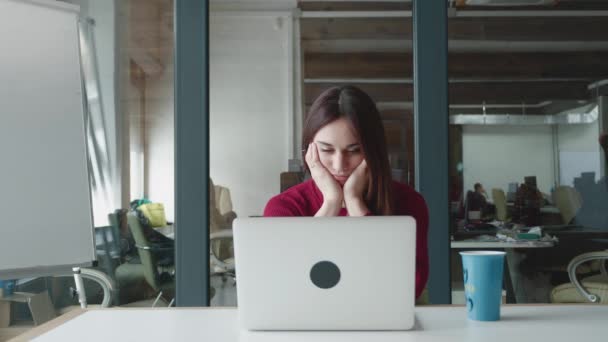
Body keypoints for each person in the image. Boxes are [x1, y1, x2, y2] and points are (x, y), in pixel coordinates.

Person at [263, 85, 429, 299]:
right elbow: (284, 286)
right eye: (326, 150)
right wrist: (331, 203)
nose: (339, 165)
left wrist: (355, 203)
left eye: (355, 150)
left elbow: (410, 288)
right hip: (305, 326)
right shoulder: (283, 208)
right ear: (309, 151)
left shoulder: (408, 202)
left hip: (382, 326)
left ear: (373, 150)